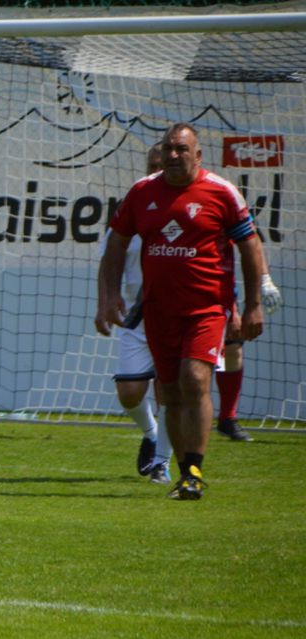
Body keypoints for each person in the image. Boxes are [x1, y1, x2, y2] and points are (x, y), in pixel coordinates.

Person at [98, 123, 267, 500]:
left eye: (181, 149)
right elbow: (115, 245)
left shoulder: (221, 192)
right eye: (169, 148)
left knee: (194, 380)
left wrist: (253, 304)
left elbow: (251, 248)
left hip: (206, 308)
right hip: (158, 311)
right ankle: (176, 468)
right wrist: (108, 297)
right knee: (170, 393)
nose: (174, 155)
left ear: (198, 154)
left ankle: (193, 471)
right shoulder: (143, 192)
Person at [94, 146, 173, 485]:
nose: (155, 172)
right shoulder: (134, 208)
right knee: (128, 393)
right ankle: (152, 432)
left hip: (176, 314)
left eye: (161, 166)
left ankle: (162, 462)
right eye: (151, 165)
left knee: (170, 391)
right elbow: (108, 259)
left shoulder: (186, 206)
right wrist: (104, 303)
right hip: (136, 316)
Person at [214, 267, 282, 442]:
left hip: (219, 290)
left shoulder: (230, 240)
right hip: (175, 288)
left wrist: (265, 279)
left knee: (233, 346)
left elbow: (252, 244)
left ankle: (227, 417)